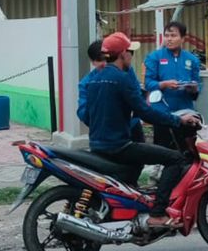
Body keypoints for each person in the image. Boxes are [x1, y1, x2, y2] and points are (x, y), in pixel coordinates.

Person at [77, 31, 196, 225]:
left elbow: (88, 115)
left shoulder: (92, 81)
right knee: (175, 159)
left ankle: (131, 210)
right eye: (130, 52)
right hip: (119, 145)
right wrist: (178, 121)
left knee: (135, 171)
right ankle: (158, 214)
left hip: (99, 143)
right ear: (123, 54)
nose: (132, 55)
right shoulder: (122, 79)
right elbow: (144, 111)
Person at [144, 21, 201, 150]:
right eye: (167, 35)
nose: (169, 39)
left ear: (183, 38)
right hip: (162, 111)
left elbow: (197, 86)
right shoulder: (154, 57)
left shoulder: (192, 60)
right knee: (164, 149)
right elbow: (148, 83)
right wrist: (164, 84)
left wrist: (194, 88)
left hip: (185, 111)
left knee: (187, 150)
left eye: (173, 35)